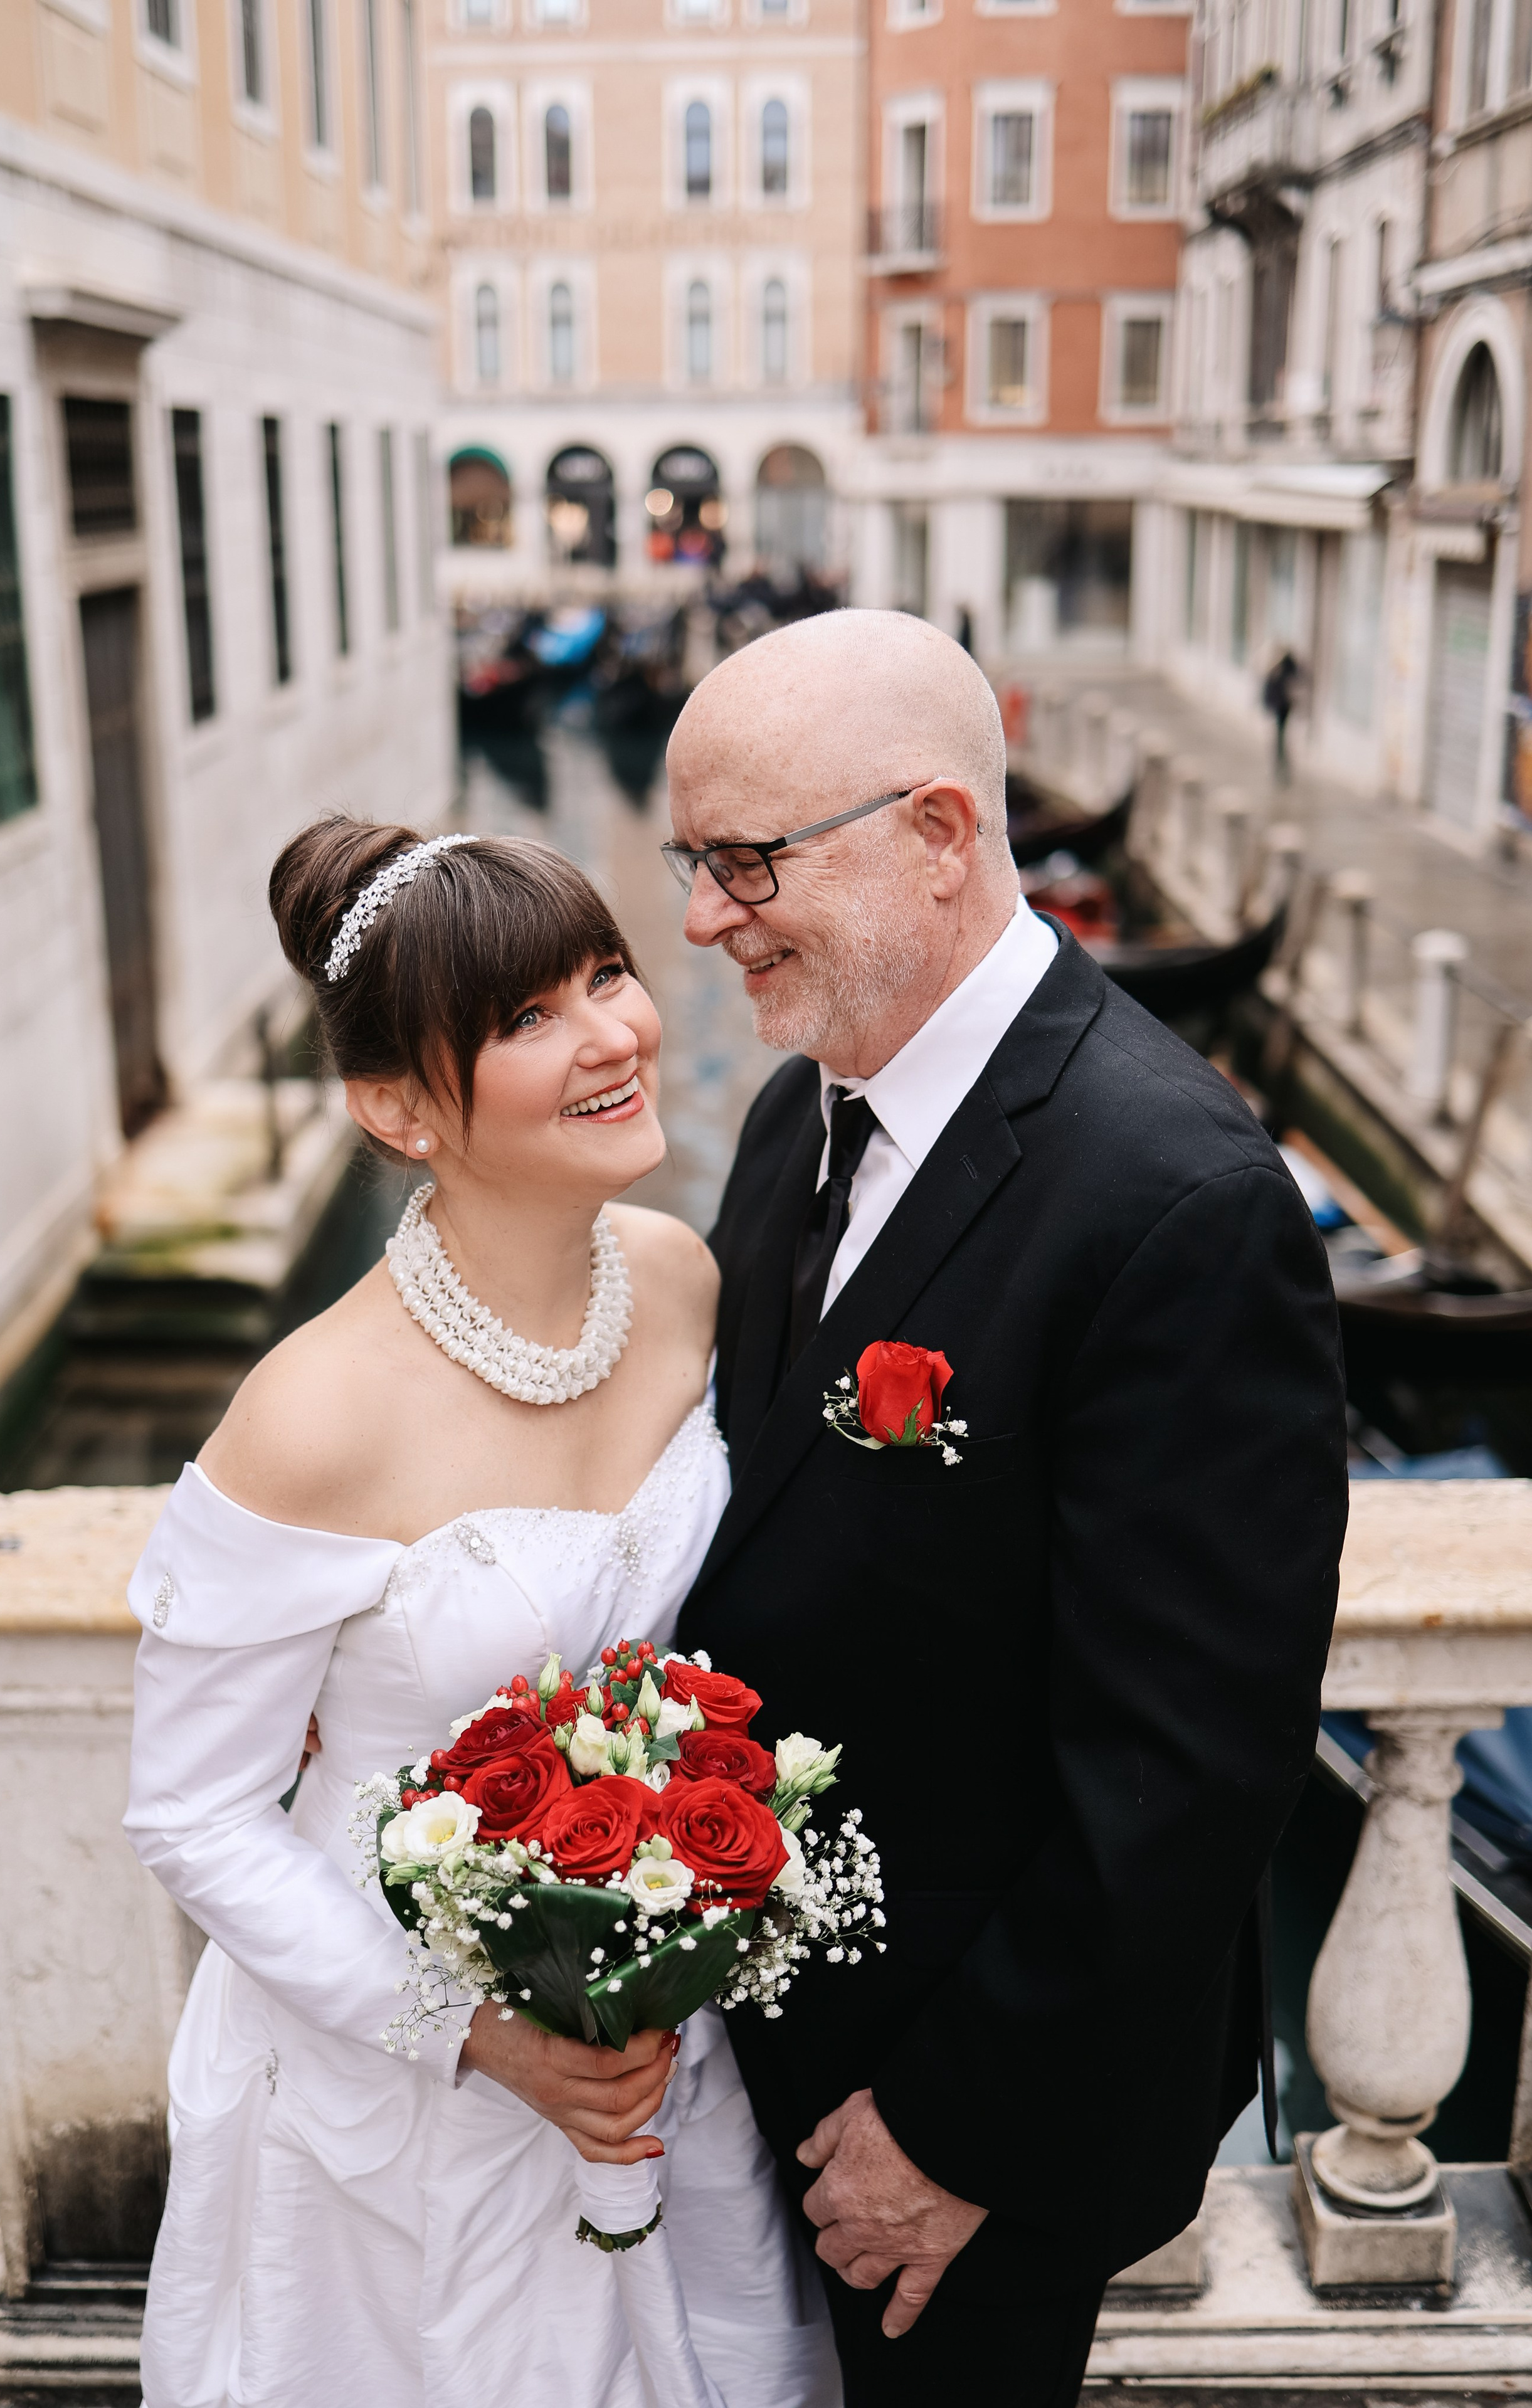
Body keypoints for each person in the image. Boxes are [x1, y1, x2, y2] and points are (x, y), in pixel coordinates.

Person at [663, 610, 1348, 2405]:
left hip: (968, 2122)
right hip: (757, 2060)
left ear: (939, 834)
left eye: (745, 861)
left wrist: (953, 2129)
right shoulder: (797, 1115)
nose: (703, 918)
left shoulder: (1181, 1198)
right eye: (691, 862)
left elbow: (1188, 1766)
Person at [123, 822, 840, 2408]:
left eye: (605, 976)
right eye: (527, 1017)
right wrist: (478, 2033)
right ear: (396, 1107)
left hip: (646, 2024)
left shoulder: (677, 1279)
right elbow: (192, 1812)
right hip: (395, 2069)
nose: (612, 1035)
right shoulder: (310, 1414)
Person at [1264, 648, 1300, 782]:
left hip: (1283, 708)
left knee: (1280, 739)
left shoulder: (1282, 670)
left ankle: (1281, 766)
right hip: (1282, 708)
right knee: (1280, 738)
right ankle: (1281, 766)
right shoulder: (1284, 670)